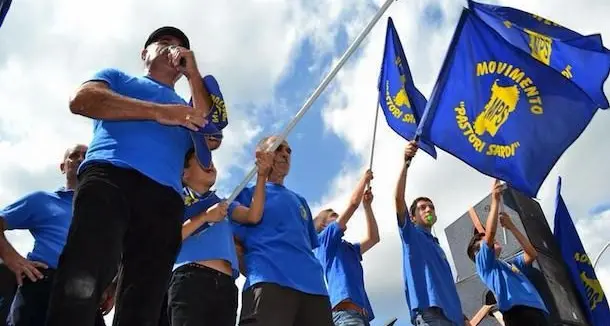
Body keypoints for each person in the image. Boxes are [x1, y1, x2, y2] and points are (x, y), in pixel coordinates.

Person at [45, 26, 213, 326]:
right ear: (144, 54)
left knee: (146, 295)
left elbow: (211, 137)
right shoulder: (119, 78)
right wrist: (158, 112)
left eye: (179, 46)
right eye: (163, 42)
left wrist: (193, 75)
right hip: (110, 175)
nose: (172, 48)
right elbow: (82, 99)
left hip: (164, 197)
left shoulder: (190, 108)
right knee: (86, 268)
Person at [0, 145, 112, 326]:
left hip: (86, 294)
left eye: (86, 156)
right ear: (62, 167)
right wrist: (13, 259)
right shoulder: (42, 200)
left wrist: (111, 286)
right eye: (74, 155)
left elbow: (117, 250)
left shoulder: (106, 213)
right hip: (42, 287)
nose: (80, 159)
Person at [230, 135, 333, 326]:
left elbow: (307, 245)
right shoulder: (244, 194)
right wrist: (257, 270)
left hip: (314, 289)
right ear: (260, 155)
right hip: (269, 282)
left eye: (289, 151)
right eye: (279, 148)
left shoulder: (300, 201)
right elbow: (234, 244)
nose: (285, 154)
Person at [165, 148, 272, 326]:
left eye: (211, 161)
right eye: (201, 161)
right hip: (191, 280)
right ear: (184, 173)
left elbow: (253, 216)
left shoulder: (223, 203)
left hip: (227, 286)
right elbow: (167, 238)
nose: (210, 164)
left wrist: (261, 176)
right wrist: (205, 217)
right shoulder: (175, 200)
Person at [395, 140, 464, 326]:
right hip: (430, 314)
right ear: (412, 217)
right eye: (423, 207)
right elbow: (398, 199)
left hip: (454, 317)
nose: (428, 210)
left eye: (431, 207)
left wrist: (462, 316)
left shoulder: (436, 244)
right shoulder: (411, 235)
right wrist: (405, 163)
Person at [466, 180, 549, 326]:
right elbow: (490, 233)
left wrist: (511, 227)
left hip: (537, 311)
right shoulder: (484, 264)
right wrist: (495, 199)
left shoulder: (508, 264)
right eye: (483, 239)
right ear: (478, 252)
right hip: (516, 313)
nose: (490, 239)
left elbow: (531, 254)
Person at [313, 170, 379, 326]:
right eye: (333, 215)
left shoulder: (348, 248)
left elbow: (374, 238)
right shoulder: (324, 241)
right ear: (324, 225)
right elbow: (353, 204)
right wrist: (364, 179)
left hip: (360, 315)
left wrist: (368, 207)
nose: (339, 216)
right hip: (345, 316)